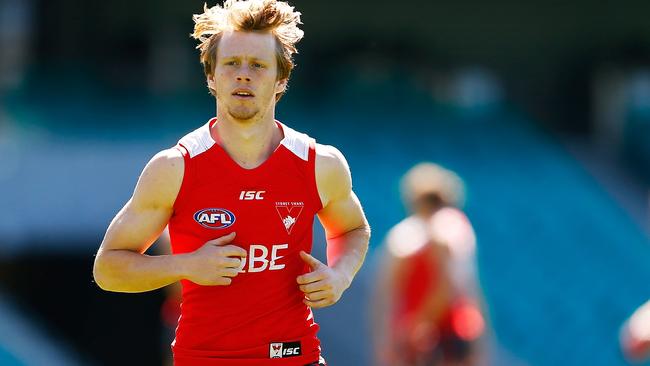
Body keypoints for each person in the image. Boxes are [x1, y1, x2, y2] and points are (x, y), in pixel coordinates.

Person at [92, 1, 370, 365]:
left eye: (257, 65)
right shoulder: (175, 167)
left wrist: (340, 276)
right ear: (211, 76)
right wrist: (187, 265)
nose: (243, 75)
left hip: (293, 356)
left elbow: (353, 229)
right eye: (231, 64)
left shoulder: (320, 163)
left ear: (281, 79)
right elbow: (108, 269)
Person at [372, 163, 485, 366]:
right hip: (449, 331)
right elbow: (467, 289)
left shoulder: (407, 236)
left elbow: (387, 293)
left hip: (429, 334)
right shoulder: (457, 229)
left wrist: (415, 325)